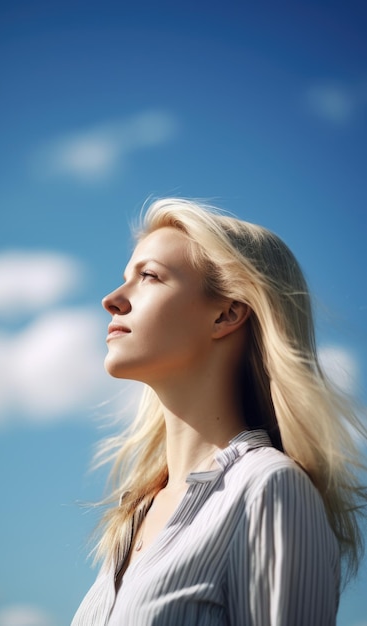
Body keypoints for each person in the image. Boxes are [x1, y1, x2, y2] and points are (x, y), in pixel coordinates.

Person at [71, 198, 366, 626]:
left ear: (227, 314)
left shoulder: (269, 488)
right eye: (124, 279)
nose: (112, 300)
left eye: (149, 276)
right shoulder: (134, 514)